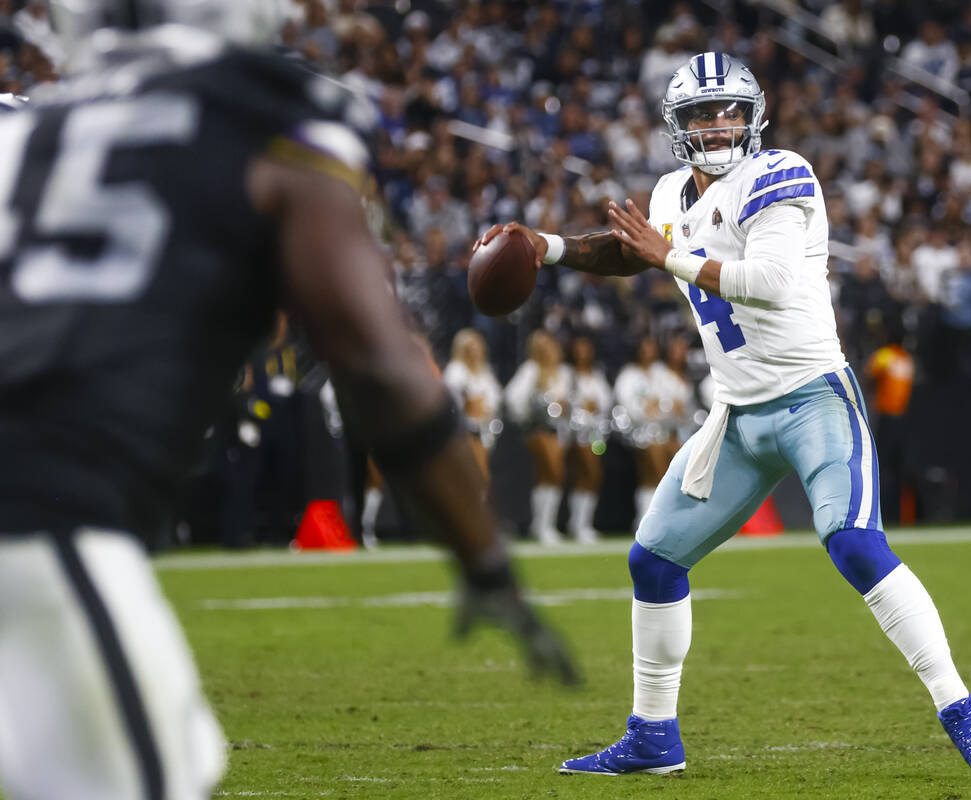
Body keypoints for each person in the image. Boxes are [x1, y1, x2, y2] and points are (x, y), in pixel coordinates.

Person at [0, 3, 577, 799]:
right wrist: (482, 559)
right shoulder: (263, 110)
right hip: (39, 522)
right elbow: (376, 361)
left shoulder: (21, 126)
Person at [480, 51, 971, 780]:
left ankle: (963, 714)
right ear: (679, 125)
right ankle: (653, 735)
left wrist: (665, 256)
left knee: (855, 545)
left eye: (731, 108)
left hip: (811, 397)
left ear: (755, 112)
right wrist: (547, 248)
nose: (720, 123)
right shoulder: (674, 191)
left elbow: (765, 282)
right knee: (654, 558)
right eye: (703, 113)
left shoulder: (781, 174)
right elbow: (629, 252)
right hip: (736, 414)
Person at [505, 330, 571, 544]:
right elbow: (512, 398)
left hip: (559, 431)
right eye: (542, 348)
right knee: (551, 471)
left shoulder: (563, 373)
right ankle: (542, 526)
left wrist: (565, 407)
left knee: (552, 475)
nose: (547, 352)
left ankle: (543, 525)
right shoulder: (530, 370)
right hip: (539, 430)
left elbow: (572, 402)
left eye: (550, 347)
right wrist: (528, 416)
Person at [613, 336, 675, 529]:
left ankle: (646, 520)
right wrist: (647, 408)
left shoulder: (662, 372)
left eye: (652, 347)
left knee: (659, 476)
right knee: (654, 472)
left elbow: (676, 399)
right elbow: (627, 405)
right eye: (645, 347)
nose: (649, 351)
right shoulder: (629, 375)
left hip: (665, 431)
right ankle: (651, 519)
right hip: (638, 433)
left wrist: (659, 406)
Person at [564, 335, 612, 543]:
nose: (583, 353)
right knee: (587, 472)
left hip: (595, 433)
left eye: (586, 348)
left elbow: (606, 400)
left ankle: (581, 523)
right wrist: (581, 406)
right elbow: (562, 398)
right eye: (578, 348)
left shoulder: (596, 375)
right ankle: (578, 523)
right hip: (574, 432)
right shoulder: (567, 374)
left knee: (591, 476)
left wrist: (594, 405)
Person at [865, 329, 915, 525]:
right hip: (902, 416)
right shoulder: (907, 359)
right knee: (899, 467)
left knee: (882, 465)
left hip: (886, 416)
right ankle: (901, 516)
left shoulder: (885, 355)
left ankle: (882, 513)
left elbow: (869, 376)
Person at [443, 328, 504, 486]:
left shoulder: (485, 372)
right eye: (469, 348)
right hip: (462, 433)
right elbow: (462, 403)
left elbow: (493, 401)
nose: (473, 351)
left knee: (481, 477)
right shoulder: (455, 370)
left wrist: (481, 405)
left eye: (476, 347)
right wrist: (473, 403)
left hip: (483, 432)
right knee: (471, 477)